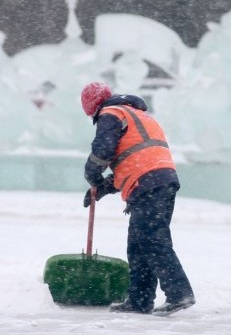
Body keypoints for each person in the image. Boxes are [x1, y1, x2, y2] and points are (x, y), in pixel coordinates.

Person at [81, 82, 195, 316]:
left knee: (152, 240)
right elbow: (134, 158)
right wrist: (104, 187)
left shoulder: (111, 113)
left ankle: (179, 293)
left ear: (91, 106)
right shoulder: (140, 115)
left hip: (147, 183)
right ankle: (139, 301)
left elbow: (103, 150)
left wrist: (91, 173)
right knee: (139, 244)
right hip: (160, 180)